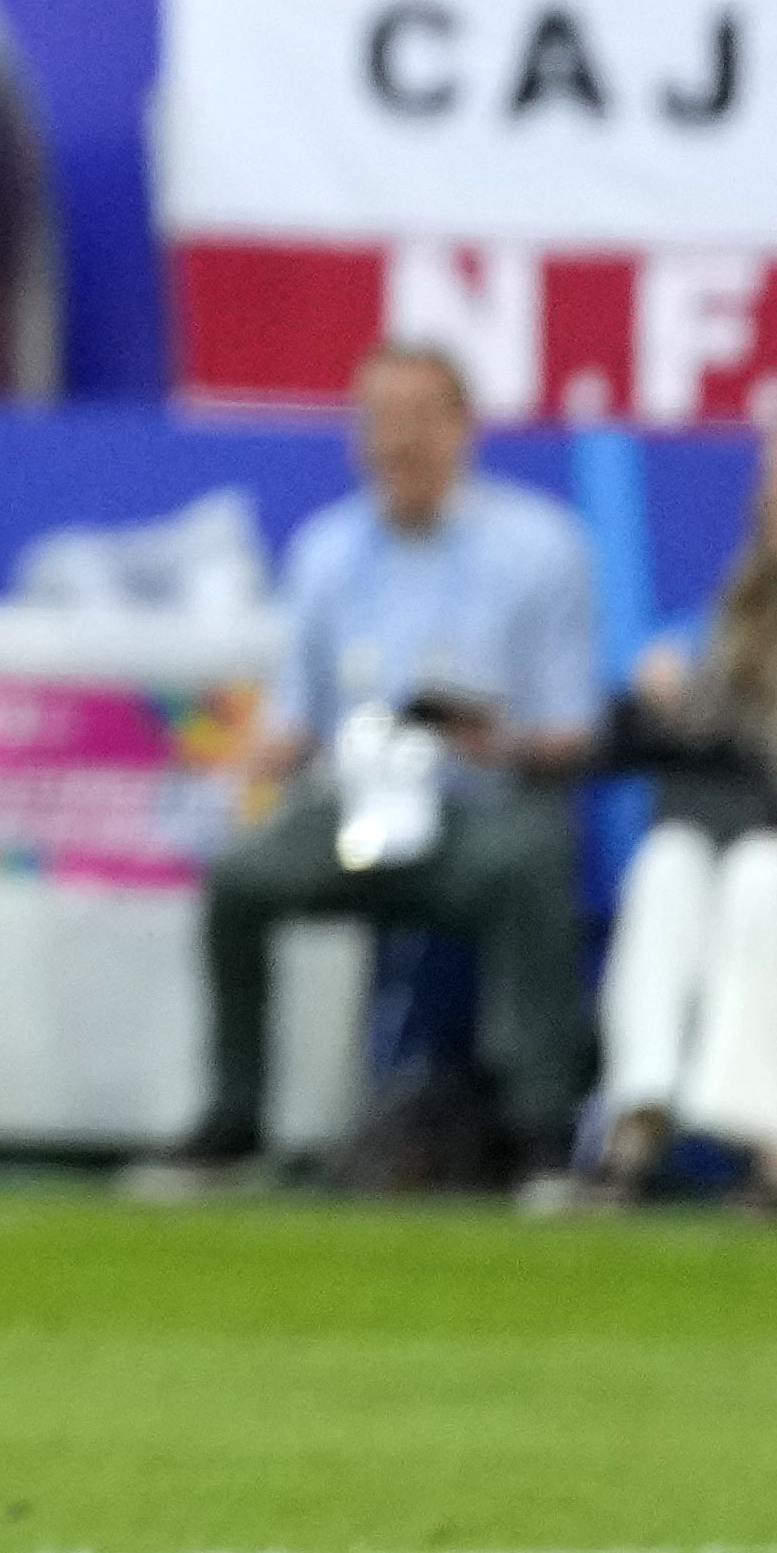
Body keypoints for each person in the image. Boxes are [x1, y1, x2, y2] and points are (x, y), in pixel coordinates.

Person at [160, 340, 601, 1186]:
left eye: (420, 420)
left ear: (462, 430)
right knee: (241, 878)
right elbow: (296, 716)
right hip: (353, 809)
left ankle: (541, 1133)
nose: (399, 442)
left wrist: (493, 740)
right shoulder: (325, 551)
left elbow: (572, 731)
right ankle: (235, 1114)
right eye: (381, 421)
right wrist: (241, 763)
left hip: (480, 810)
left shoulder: (542, 549)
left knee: (529, 865)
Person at [566, 420, 777, 1213]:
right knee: (669, 859)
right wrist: (674, 702)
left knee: (761, 877)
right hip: (751, 838)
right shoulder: (747, 610)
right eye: (776, 482)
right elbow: (712, 742)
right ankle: (636, 1120)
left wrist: (716, 721)